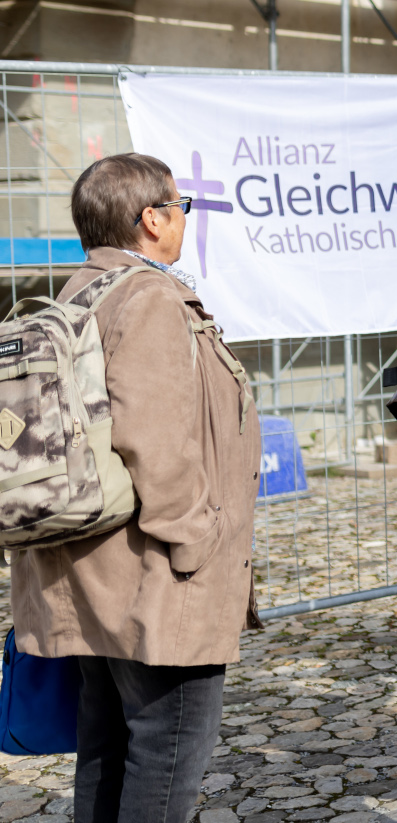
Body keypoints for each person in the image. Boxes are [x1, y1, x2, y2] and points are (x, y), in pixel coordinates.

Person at [10, 153, 260, 822]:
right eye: (180, 206)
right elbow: (158, 443)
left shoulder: (78, 292)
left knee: (107, 746)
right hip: (154, 578)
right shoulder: (147, 297)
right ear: (153, 218)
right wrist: (198, 543)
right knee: (167, 753)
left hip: (92, 574)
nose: (183, 218)